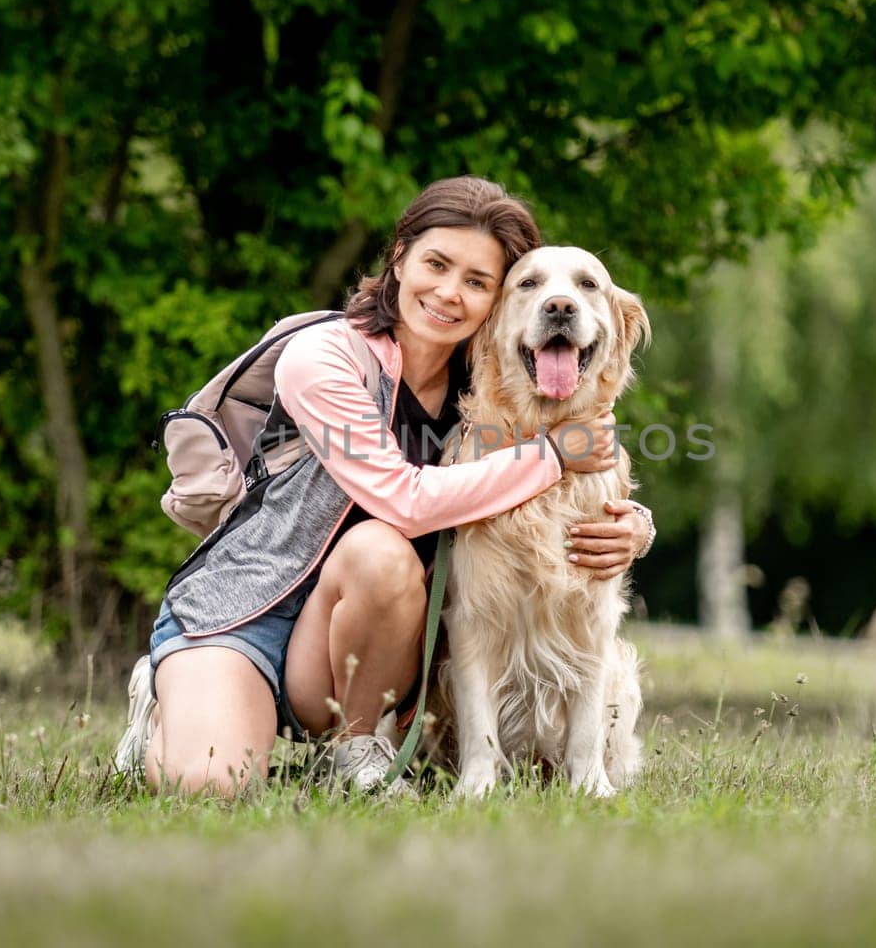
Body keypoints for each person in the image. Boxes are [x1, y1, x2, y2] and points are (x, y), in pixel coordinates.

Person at [115, 176, 656, 796]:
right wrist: (557, 456)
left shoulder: (490, 379)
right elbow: (403, 500)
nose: (450, 293)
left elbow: (562, 481)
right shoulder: (324, 357)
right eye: (436, 264)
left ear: (496, 305)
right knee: (206, 784)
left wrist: (633, 526)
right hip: (249, 610)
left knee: (381, 559)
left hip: (365, 638)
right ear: (399, 256)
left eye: (478, 282)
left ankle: (360, 749)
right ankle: (161, 699)